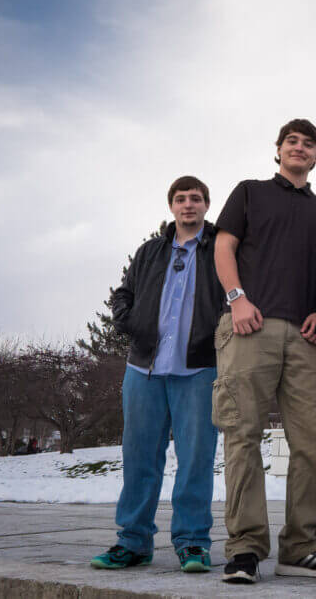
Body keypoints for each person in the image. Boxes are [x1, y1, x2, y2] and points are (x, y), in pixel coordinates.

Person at [213, 119, 316, 584]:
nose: (299, 148)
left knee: (313, 442)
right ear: (278, 151)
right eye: (291, 141)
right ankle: (246, 548)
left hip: (307, 337)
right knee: (242, 437)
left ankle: (301, 546)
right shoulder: (250, 192)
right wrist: (237, 299)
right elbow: (224, 247)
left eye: (308, 144)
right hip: (250, 326)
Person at [91, 176, 223, 573]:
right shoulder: (150, 251)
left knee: (196, 460)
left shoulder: (221, 250)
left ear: (205, 205)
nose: (188, 205)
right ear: (171, 206)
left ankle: (193, 543)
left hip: (199, 368)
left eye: (195, 199)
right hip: (143, 369)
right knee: (140, 458)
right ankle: (133, 541)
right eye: (180, 199)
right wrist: (128, 322)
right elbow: (123, 293)